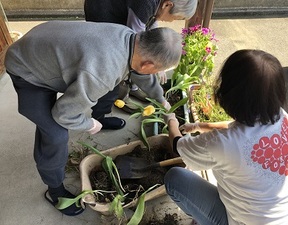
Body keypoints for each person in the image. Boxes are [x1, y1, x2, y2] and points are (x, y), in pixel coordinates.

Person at [4, 20, 182, 216]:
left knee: (111, 85)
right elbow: (63, 114)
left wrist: (160, 99)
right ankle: (54, 190)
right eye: (156, 71)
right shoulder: (103, 71)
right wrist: (88, 124)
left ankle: (101, 117)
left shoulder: (132, 39)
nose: (155, 74)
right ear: (148, 64)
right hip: (27, 69)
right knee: (55, 134)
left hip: (45, 48)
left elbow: (140, 72)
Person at [163, 49, 288, 224]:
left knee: (175, 179)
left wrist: (171, 121)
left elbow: (178, 147)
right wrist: (198, 126)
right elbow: (237, 131)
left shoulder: (222, 144)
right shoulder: (281, 117)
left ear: (228, 94)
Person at [84, 0, 197, 118]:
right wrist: (159, 97)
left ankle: (133, 88)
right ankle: (103, 114)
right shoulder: (145, 4)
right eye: (176, 17)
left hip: (117, 10)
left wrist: (160, 62)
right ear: (167, 5)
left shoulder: (155, 5)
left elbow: (150, 24)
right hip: (102, 9)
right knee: (114, 66)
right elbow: (136, 52)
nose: (171, 21)